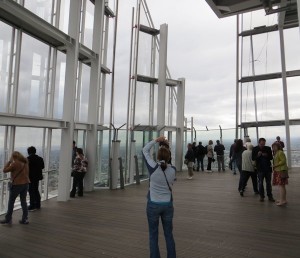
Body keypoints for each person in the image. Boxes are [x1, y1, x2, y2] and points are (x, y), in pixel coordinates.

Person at [142, 136, 176, 258]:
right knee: (168, 235)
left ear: (157, 157)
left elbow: (144, 150)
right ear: (169, 156)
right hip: (167, 205)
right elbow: (168, 162)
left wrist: (156, 140)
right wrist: (166, 146)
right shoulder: (173, 170)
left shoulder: (153, 168)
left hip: (153, 205)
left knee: (153, 234)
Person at [1, 151, 30, 225]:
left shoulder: (15, 164)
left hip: (17, 184)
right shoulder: (25, 162)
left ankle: (8, 219)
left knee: (11, 202)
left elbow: (4, 170)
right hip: (26, 183)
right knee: (23, 202)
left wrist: (9, 162)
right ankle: (25, 219)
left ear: (13, 157)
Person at [252, 138, 275, 202]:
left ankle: (270, 196)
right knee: (260, 183)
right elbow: (253, 158)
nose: (263, 145)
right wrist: (258, 155)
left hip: (267, 168)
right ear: (259, 143)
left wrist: (266, 155)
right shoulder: (255, 149)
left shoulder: (267, 148)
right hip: (260, 169)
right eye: (261, 144)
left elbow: (271, 158)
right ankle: (261, 196)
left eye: (264, 144)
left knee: (268, 183)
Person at [27, 146, 45, 211]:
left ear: (28, 152)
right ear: (35, 151)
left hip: (30, 177)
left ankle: (32, 205)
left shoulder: (28, 159)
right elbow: (42, 167)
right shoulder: (40, 158)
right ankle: (38, 204)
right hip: (37, 177)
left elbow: (26, 168)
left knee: (31, 191)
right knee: (36, 190)